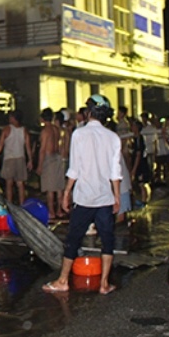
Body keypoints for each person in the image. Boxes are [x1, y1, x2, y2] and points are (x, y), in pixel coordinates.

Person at [42, 94, 121, 295]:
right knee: (107, 239)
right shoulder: (113, 137)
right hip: (105, 197)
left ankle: (63, 280)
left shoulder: (79, 134)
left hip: (84, 197)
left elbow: (74, 168)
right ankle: (104, 284)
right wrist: (117, 197)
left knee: (73, 239)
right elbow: (115, 172)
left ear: (89, 112)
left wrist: (66, 193)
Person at [0, 110, 33, 205]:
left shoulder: (7, 129)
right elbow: (28, 147)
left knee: (9, 184)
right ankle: (22, 205)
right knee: (20, 184)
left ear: (13, 118)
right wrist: (30, 160)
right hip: (20, 158)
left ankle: (9, 204)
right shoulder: (24, 130)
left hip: (9, 159)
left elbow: (0, 144)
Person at [36, 107, 65, 219]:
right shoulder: (56, 129)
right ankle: (59, 210)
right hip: (57, 157)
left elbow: (42, 149)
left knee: (50, 188)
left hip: (49, 158)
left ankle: (51, 212)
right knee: (58, 187)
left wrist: (39, 165)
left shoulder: (45, 131)